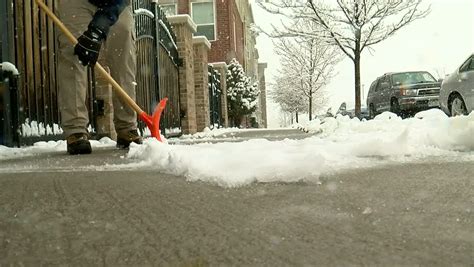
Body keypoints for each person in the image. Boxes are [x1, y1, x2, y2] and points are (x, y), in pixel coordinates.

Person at [58, 0, 141, 155]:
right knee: (72, 53)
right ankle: (75, 130)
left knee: (123, 56)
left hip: (116, 3)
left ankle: (126, 126)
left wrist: (98, 28)